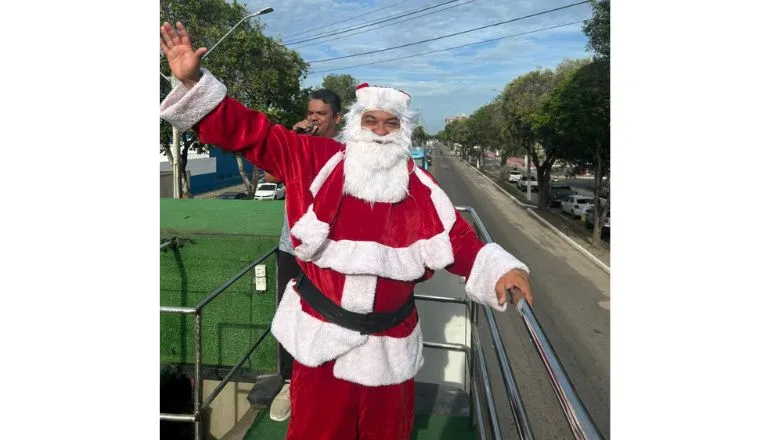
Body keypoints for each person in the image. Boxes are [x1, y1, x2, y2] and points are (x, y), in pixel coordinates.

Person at [160, 21, 533, 440]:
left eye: (389, 124)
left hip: (390, 350)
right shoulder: (314, 156)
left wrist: (499, 268)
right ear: (354, 124)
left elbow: (457, 238)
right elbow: (254, 136)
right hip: (319, 341)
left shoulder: (420, 185)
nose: (378, 130)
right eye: (370, 120)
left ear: (402, 132)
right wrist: (193, 83)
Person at [265, 89, 342, 422]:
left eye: (320, 114)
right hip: (290, 248)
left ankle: (326, 383)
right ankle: (289, 383)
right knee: (286, 315)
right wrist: (294, 139)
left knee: (331, 319)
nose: (313, 119)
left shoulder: (344, 150)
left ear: (336, 119)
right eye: (310, 112)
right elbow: (270, 175)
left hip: (329, 252)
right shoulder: (295, 143)